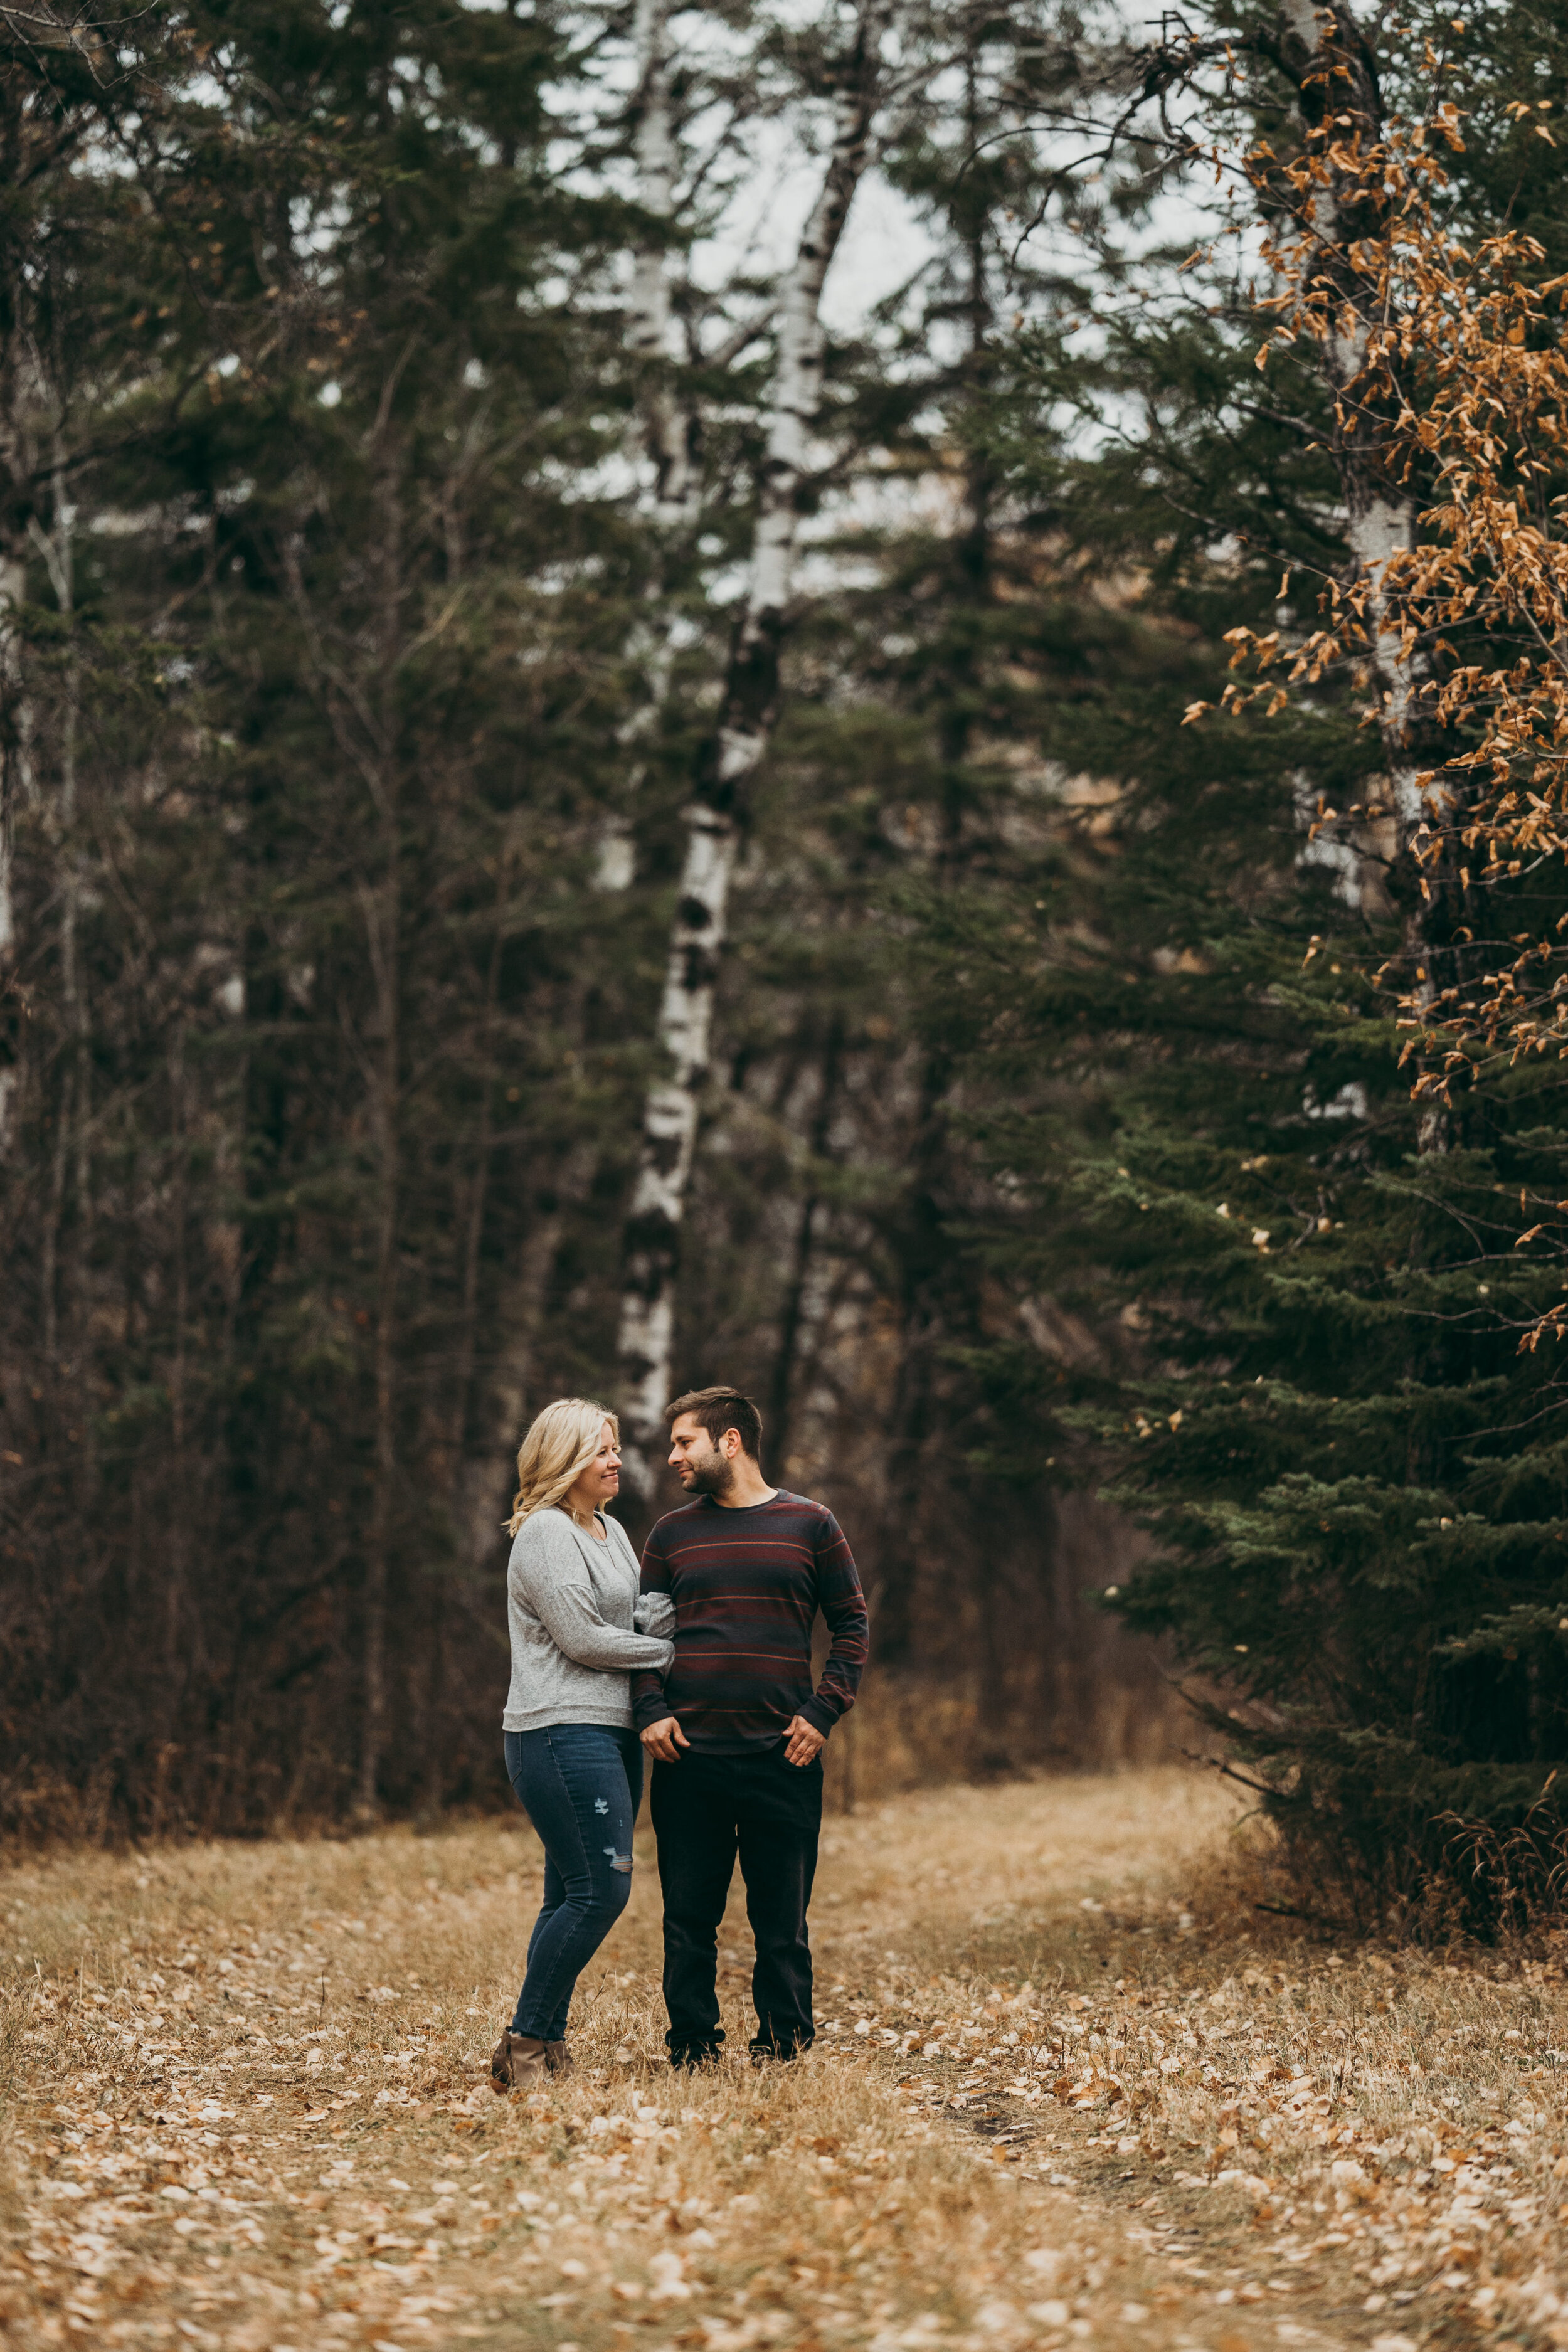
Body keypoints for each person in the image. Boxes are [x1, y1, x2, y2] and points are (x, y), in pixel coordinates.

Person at [632, 1385, 868, 2067]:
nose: (673, 1455)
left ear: (728, 1441)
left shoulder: (812, 1524)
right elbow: (643, 1636)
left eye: (684, 1442)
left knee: (781, 1923)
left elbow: (851, 1624)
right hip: (687, 1759)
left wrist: (823, 1712)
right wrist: (650, 1710)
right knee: (688, 1921)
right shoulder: (670, 1535)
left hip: (783, 1757)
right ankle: (693, 2047)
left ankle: (784, 2043)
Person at [491, 1397, 675, 2093]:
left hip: (608, 1730)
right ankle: (528, 2046)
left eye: (615, 1447)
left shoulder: (610, 1530)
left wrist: (669, 1620)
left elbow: (637, 1612)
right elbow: (585, 1640)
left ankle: (540, 2045)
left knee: (568, 1893)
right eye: (601, 1449)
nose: (615, 1459)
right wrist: (678, 1653)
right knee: (601, 1891)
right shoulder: (543, 1534)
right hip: (558, 1730)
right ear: (564, 1458)